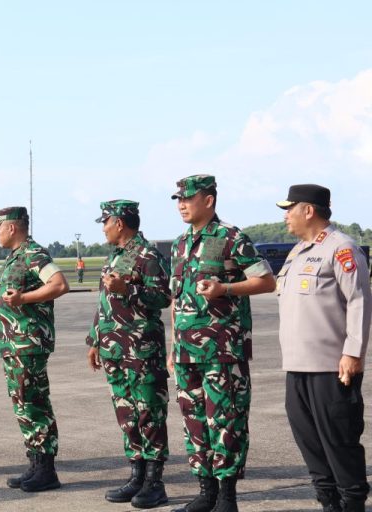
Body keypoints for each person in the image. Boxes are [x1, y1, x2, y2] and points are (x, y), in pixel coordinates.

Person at [169, 175, 276, 512]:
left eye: (188, 198)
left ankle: (227, 497)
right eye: (178, 199)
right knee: (194, 421)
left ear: (209, 200)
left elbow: (266, 280)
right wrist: (174, 346)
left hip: (222, 350)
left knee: (226, 421)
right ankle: (206, 492)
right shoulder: (179, 243)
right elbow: (176, 298)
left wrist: (225, 289)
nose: (181, 205)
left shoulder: (231, 237)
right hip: (187, 352)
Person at [275, 184, 370, 512]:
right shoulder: (296, 251)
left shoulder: (341, 248)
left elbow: (358, 300)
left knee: (339, 443)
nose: (286, 215)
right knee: (311, 445)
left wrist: (353, 352)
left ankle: (353, 503)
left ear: (308, 210)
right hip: (297, 368)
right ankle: (329, 503)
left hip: (331, 368)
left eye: (290, 208)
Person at [86, 200, 172, 508]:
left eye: (105, 221)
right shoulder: (115, 256)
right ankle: (136, 475)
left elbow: (163, 296)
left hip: (141, 350)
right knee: (126, 413)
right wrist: (94, 340)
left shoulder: (147, 255)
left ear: (119, 222)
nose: (103, 227)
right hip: (113, 349)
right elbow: (104, 302)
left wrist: (129, 290)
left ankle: (154, 481)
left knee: (149, 412)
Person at [0, 206, 70, 493]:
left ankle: (47, 470)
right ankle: (35, 464)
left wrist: (24, 297)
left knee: (34, 404)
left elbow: (60, 284)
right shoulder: (14, 258)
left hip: (29, 344)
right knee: (24, 404)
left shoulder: (34, 254)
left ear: (12, 227)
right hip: (15, 345)